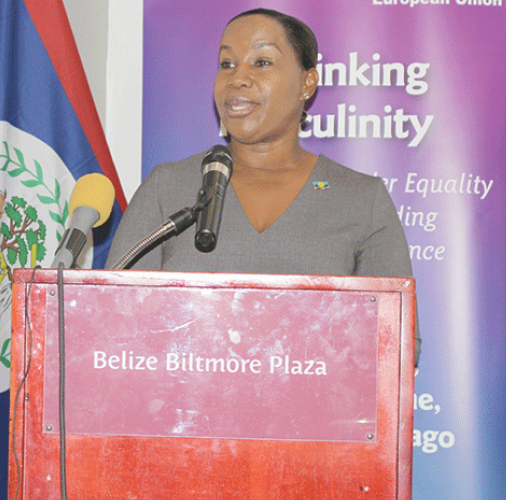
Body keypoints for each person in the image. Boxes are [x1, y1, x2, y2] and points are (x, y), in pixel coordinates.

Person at [106, 8, 420, 359]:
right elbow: (116, 324)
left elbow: (396, 348)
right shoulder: (169, 187)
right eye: (227, 64)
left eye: (262, 62)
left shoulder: (361, 199)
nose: (238, 78)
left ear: (307, 83)